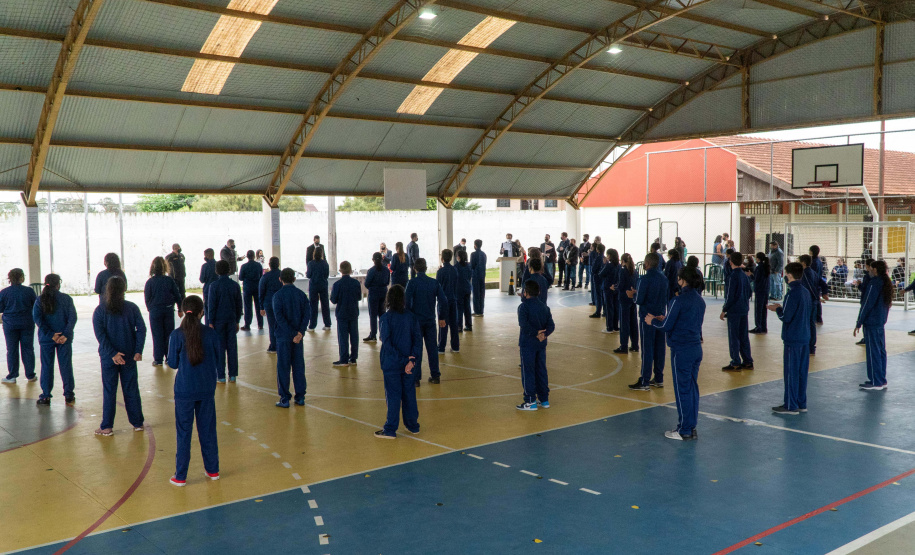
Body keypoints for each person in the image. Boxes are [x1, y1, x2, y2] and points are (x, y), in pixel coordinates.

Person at [645, 266, 704, 440]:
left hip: (681, 350)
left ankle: (684, 429)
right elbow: (687, 321)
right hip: (695, 348)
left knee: (682, 389)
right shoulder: (700, 300)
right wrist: (667, 318)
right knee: (692, 387)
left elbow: (666, 326)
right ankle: (691, 426)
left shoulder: (679, 300)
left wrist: (653, 321)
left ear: (682, 280)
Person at [168, 295, 220, 487]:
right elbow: (218, 359)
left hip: (184, 390)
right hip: (206, 388)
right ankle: (213, 470)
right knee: (207, 430)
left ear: (182, 310)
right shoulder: (211, 333)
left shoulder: (176, 335)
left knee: (184, 432)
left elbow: (173, 363)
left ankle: (180, 476)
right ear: (202, 312)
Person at [92, 276, 146, 436]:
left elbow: (100, 335)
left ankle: (107, 426)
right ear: (124, 289)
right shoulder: (132, 308)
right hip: (129, 355)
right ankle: (137, 423)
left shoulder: (100, 310)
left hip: (109, 358)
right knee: (131, 388)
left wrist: (113, 353)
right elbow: (141, 329)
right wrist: (138, 350)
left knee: (110, 390)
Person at [375, 285, 422, 439]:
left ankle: (390, 429)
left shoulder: (385, 319)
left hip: (392, 365)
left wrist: (402, 360)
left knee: (394, 396)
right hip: (409, 365)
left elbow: (387, 344)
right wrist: (411, 360)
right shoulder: (411, 317)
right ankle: (413, 425)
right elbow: (417, 341)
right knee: (409, 394)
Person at [767, 262, 812, 415]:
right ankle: (801, 402)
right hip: (805, 337)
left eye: (786, 274)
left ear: (790, 275)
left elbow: (786, 317)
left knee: (791, 372)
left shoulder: (792, 293)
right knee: (801, 372)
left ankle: (791, 405)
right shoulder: (805, 292)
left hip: (793, 338)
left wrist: (777, 309)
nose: (785, 276)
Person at [33, 274, 77, 406]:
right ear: (58, 284)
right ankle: (69, 395)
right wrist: (66, 334)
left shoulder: (40, 300)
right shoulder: (66, 299)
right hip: (64, 339)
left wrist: (51, 334)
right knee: (66, 366)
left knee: (47, 366)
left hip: (47, 339)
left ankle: (46, 395)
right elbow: (72, 318)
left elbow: (38, 319)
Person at [405, 258, 447, 385]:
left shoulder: (412, 283)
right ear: (426, 268)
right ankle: (435, 375)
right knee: (432, 348)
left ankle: (416, 378)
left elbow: (407, 301)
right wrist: (441, 317)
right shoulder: (434, 283)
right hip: (430, 320)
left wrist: (409, 315)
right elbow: (443, 300)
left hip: (416, 321)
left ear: (415, 269)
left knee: (416, 349)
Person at [516, 279, 555, 411]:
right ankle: (544, 399)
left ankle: (530, 400)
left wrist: (535, 333)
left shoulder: (523, 307)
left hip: (528, 343)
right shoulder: (545, 307)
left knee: (528, 371)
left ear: (525, 293)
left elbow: (523, 325)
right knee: (541, 370)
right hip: (541, 344)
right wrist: (544, 334)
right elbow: (551, 325)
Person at [272, 268, 310, 407]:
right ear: (294, 279)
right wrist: (300, 332)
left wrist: (292, 333)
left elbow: (279, 318)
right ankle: (300, 397)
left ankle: (284, 398)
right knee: (298, 366)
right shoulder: (301, 295)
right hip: (298, 338)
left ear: (280, 279)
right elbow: (307, 314)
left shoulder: (277, 296)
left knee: (283, 367)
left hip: (283, 337)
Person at [630, 253, 668, 390]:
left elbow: (639, 300)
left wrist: (633, 294)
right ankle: (659, 378)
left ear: (647, 263)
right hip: (660, 316)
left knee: (647, 348)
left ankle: (645, 380)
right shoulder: (664, 278)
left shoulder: (644, 279)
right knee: (660, 348)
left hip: (647, 317)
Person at [855, 260, 893, 391]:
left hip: (872, 322)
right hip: (880, 321)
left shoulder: (874, 284)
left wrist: (859, 322)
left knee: (873, 351)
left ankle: (875, 381)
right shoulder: (885, 282)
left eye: (870, 268)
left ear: (875, 269)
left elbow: (867, 304)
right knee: (881, 350)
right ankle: (881, 379)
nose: (869, 270)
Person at [207, 260, 243, 383]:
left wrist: (210, 321)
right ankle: (233, 375)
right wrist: (237, 320)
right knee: (232, 347)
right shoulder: (235, 285)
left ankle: (221, 376)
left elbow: (211, 305)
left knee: (219, 348)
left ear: (216, 271)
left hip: (218, 321)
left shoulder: (214, 286)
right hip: (232, 320)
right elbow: (239, 305)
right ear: (228, 270)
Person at [0, 268, 37, 384]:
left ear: (9, 278)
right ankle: (30, 375)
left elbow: (1, 308)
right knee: (28, 349)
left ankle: (12, 376)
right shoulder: (29, 291)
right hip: (27, 323)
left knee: (11, 350)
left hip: (10, 324)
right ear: (22, 278)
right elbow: (35, 307)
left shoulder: (4, 292)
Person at [144, 256, 181, 367]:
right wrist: (180, 308)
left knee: (157, 335)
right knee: (169, 334)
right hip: (168, 309)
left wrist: (151, 308)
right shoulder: (169, 280)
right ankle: (169, 357)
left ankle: (158, 359)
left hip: (155, 311)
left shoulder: (150, 282)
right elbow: (177, 294)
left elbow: (147, 298)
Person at [721, 251, 753, 371]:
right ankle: (748, 361)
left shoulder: (731, 277)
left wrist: (724, 309)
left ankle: (735, 362)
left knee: (734, 336)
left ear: (731, 262)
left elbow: (730, 296)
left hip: (734, 311)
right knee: (744, 335)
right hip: (744, 309)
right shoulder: (745, 276)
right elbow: (749, 292)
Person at [330, 261, 361, 366]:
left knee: (343, 337)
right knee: (354, 336)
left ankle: (343, 359)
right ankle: (353, 358)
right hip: (353, 312)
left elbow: (333, 300)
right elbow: (359, 297)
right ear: (350, 270)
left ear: (340, 270)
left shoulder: (337, 284)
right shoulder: (356, 283)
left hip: (342, 313)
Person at [799, 254, 828, 355]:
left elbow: (810, 288)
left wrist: (817, 297)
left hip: (809, 302)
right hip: (813, 301)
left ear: (803, 262)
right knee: (811, 323)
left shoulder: (805, 274)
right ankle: (810, 346)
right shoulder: (813, 272)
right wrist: (824, 293)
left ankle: (809, 346)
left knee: (808, 323)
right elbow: (823, 283)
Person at [614, 253, 639, 354]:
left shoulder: (623, 270)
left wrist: (614, 287)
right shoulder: (635, 271)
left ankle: (624, 346)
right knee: (633, 322)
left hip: (624, 299)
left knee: (624, 323)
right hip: (633, 299)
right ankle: (635, 345)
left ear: (622, 261)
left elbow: (621, 285)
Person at [436, 249, 460, 353]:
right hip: (453, 299)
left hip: (443, 300)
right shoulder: (455, 270)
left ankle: (441, 347)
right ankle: (455, 347)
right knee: (454, 323)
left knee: (443, 323)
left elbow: (438, 286)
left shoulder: (440, 272)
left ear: (442, 259)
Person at [364, 252, 390, 343]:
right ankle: (382, 334)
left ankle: (373, 335)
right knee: (382, 314)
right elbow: (387, 282)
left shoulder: (371, 270)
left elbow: (366, 284)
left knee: (373, 315)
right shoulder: (386, 270)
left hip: (373, 294)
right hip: (383, 292)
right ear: (382, 259)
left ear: (373, 260)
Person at [259, 257, 283, 353]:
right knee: (282, 323)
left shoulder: (265, 277)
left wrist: (261, 307)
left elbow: (261, 292)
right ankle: (282, 343)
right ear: (278, 264)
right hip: (281, 302)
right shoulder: (282, 275)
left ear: (269, 264)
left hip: (269, 303)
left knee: (272, 324)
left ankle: (273, 345)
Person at [306, 247, 332, 331]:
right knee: (325, 305)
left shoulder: (310, 263)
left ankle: (312, 326)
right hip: (323, 285)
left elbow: (309, 275)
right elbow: (327, 275)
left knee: (313, 306)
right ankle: (327, 324)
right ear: (321, 254)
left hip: (313, 286)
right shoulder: (325, 263)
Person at [238, 250, 264, 331]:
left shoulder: (244, 266)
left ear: (247, 257)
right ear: (253, 256)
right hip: (257, 287)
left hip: (247, 287)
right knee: (258, 305)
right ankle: (260, 324)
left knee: (248, 306)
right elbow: (261, 276)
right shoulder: (258, 265)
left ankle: (247, 325)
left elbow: (240, 278)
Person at [599, 249, 620, 333]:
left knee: (609, 308)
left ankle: (609, 327)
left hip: (608, 288)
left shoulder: (609, 265)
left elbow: (601, 274)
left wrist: (605, 264)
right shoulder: (618, 265)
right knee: (616, 307)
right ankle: (615, 326)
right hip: (615, 288)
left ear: (610, 256)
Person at [749, 252, 770, 334]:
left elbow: (756, 279)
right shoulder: (766, 267)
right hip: (766, 290)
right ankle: (764, 326)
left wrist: (751, 275)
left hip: (760, 290)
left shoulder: (759, 268)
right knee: (764, 309)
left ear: (758, 259)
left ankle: (758, 327)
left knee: (758, 309)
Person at [456, 249, 473, 332]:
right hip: (467, 288)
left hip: (459, 289)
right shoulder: (468, 266)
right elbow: (470, 276)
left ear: (458, 257)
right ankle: (468, 325)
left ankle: (459, 326)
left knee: (459, 308)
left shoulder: (456, 267)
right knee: (467, 307)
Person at [199, 248, 217, 324]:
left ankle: (208, 325)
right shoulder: (218, 264)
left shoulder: (205, 266)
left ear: (207, 255)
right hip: (217, 289)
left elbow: (202, 279)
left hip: (207, 289)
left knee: (208, 309)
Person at [470, 239, 487, 316]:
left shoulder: (473, 254)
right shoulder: (484, 254)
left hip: (475, 276)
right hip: (482, 276)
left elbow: (472, 266)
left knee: (476, 294)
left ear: (475, 245)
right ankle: (481, 310)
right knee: (482, 293)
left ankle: (477, 311)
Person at [809, 245, 824, 324]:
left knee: (815, 301)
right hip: (817, 283)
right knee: (817, 301)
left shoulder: (813, 262)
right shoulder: (819, 261)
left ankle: (815, 318)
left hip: (814, 284)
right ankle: (818, 318)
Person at [588, 242, 605, 313]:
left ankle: (598, 311)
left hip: (597, 278)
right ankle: (604, 311)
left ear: (597, 250)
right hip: (602, 278)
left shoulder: (598, 258)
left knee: (598, 295)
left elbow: (593, 268)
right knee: (603, 295)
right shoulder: (604, 258)